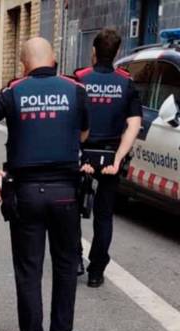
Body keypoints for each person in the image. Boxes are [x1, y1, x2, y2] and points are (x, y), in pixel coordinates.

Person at [0, 38, 90, 331]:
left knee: (28, 270)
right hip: (65, 193)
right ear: (54, 59)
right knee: (66, 265)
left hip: (25, 193)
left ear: (23, 64)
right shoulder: (75, 90)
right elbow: (83, 135)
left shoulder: (13, 92)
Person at [74, 28, 142, 288]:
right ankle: (96, 271)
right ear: (117, 53)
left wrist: (78, 153)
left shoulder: (79, 78)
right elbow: (133, 125)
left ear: (94, 51)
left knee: (72, 210)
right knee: (104, 214)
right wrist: (118, 159)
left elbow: (72, 120)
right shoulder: (126, 82)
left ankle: (76, 260)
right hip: (110, 156)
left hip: (83, 153)